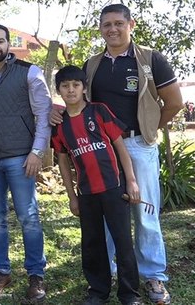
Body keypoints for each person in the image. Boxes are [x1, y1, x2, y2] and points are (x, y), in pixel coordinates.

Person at [50, 4, 183, 305]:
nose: (112, 29)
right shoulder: (92, 64)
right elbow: (75, 99)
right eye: (106, 24)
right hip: (102, 151)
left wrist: (150, 128)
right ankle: (110, 273)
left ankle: (153, 278)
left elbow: (174, 102)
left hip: (137, 144)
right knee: (110, 214)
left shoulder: (150, 60)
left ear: (131, 25)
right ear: (100, 28)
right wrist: (55, 115)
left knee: (145, 213)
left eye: (118, 23)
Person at [0, 23, 50, 302]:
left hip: (21, 158)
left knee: (28, 217)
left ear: (8, 44)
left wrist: (37, 152)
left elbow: (43, 115)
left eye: (0, 41)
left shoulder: (29, 73)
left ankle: (36, 274)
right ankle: (2, 271)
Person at [51, 65, 142, 305]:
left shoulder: (99, 111)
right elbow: (62, 162)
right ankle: (98, 291)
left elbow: (120, 146)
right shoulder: (59, 125)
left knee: (123, 241)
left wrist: (131, 181)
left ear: (83, 88)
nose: (70, 90)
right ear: (58, 90)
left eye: (75, 85)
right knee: (92, 243)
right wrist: (72, 197)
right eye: (65, 86)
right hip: (87, 193)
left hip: (114, 187)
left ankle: (129, 294)